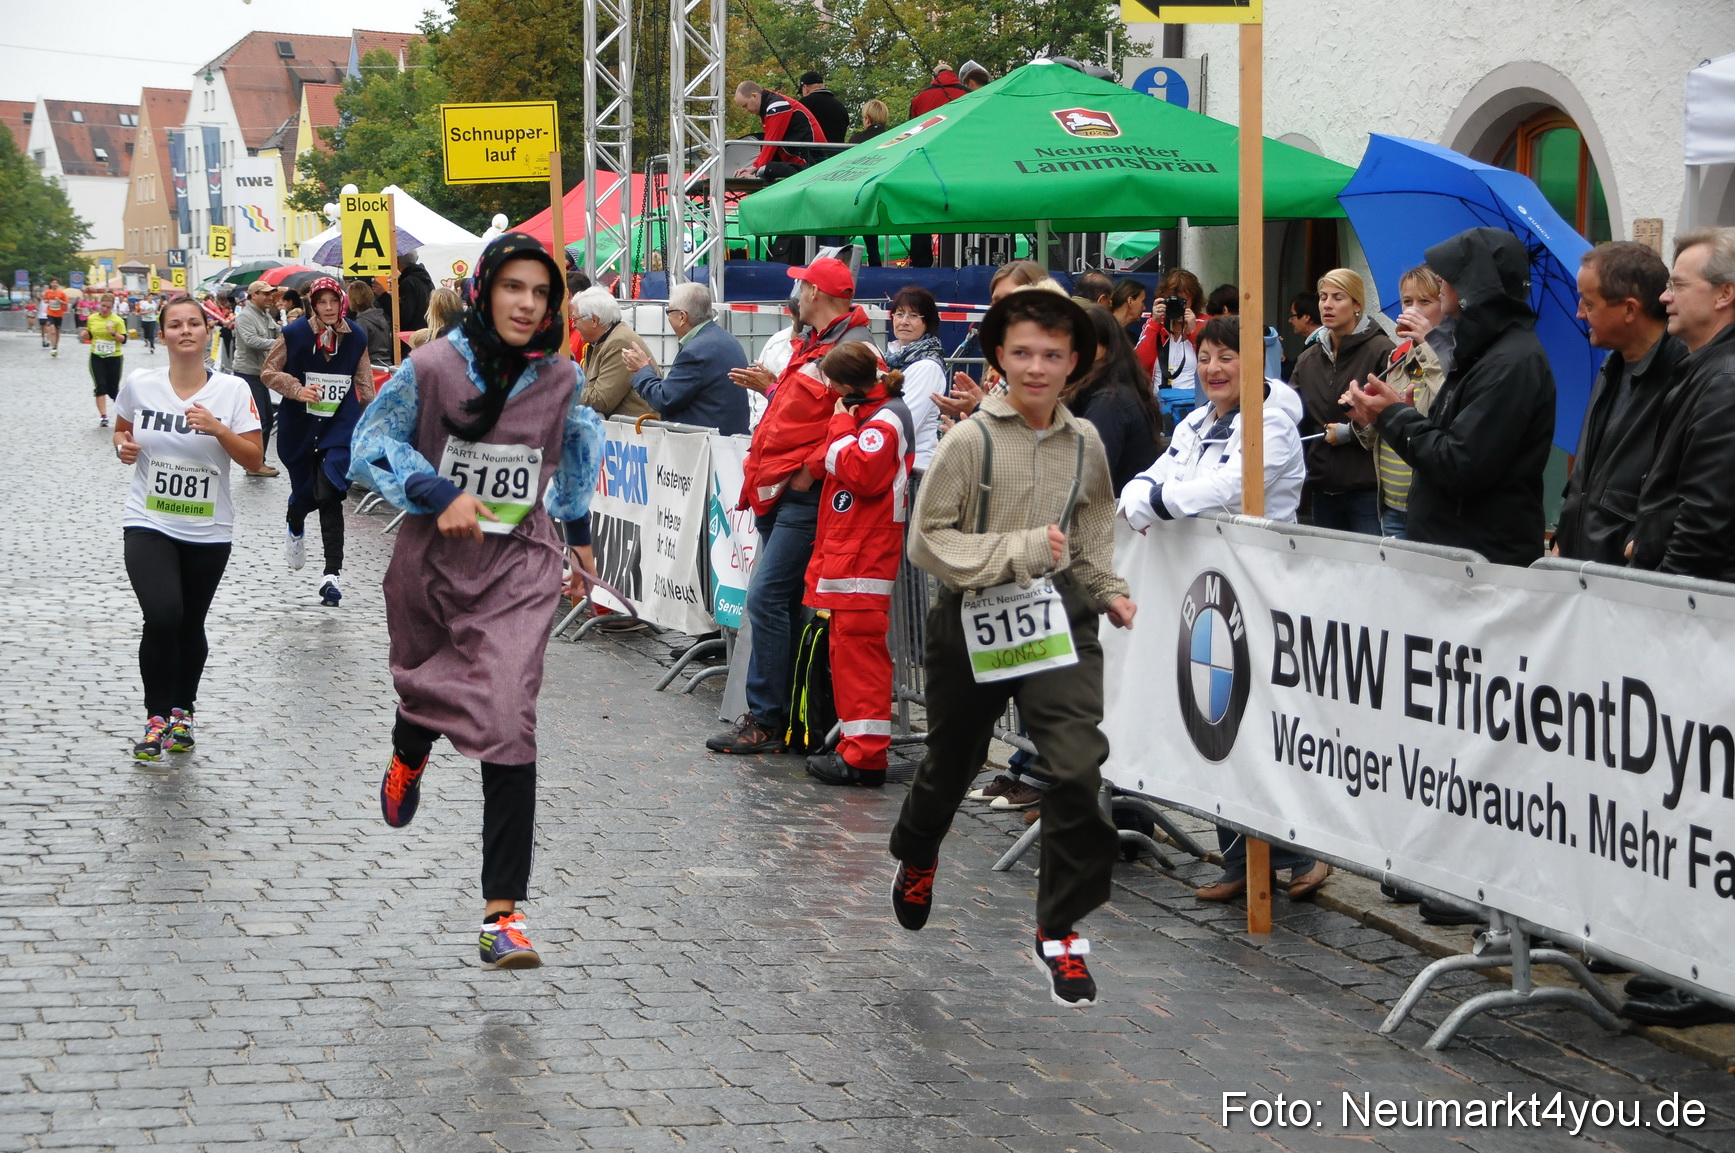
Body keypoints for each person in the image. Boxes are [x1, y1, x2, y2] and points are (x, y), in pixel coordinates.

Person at [349, 232, 606, 970]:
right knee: (426, 684)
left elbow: (577, 446)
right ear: (485, 290)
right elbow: (371, 441)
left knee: (507, 713)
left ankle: (503, 913)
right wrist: (434, 490)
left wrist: (578, 533)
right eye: (514, 288)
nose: (528, 304)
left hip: (519, 567)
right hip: (433, 564)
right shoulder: (431, 367)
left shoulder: (560, 377)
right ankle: (409, 749)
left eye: (541, 293)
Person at [887, 288, 1136, 1008]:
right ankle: (918, 848)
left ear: (1075, 365)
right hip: (971, 617)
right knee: (951, 762)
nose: (1036, 367)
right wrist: (1021, 548)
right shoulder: (971, 441)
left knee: (1078, 766)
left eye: (1052, 355)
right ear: (998, 356)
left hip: (1056, 619)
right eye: (1022, 352)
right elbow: (927, 538)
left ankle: (1059, 929)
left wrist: (1109, 587)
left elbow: (1089, 528)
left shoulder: (1085, 442)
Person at [1117, 316, 1325, 901]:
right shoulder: (1199, 419)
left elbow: (1229, 487)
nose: (1212, 368)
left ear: (1254, 361)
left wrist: (1158, 504)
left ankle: (1298, 852)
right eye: (1204, 356)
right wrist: (1147, 497)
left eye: (1226, 356)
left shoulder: (1273, 424)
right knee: (1217, 722)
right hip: (1205, 588)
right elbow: (1153, 475)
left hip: (1260, 590)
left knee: (1258, 723)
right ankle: (1238, 858)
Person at [707, 257, 874, 755]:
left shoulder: (852, 348)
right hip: (783, 492)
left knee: (765, 599)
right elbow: (812, 410)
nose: (796, 294)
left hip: (802, 495)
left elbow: (865, 419)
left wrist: (811, 468)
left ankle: (768, 718)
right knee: (779, 603)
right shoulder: (821, 343)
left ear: (816, 294)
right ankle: (784, 717)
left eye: (801, 286)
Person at [1346, 227, 1556, 566]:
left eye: (1450, 273)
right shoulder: (1481, 352)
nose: (1440, 279)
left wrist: (1395, 416)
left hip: (1479, 563)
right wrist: (1401, 413)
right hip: (1453, 552)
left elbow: (1458, 465)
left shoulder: (1511, 363)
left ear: (1476, 284)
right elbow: (1450, 442)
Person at [112, 295, 264, 760]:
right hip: (148, 520)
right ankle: (156, 717)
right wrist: (122, 445)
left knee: (190, 621)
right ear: (162, 335)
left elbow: (255, 460)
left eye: (193, 324)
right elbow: (122, 429)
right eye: (174, 324)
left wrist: (218, 429)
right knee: (162, 615)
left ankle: (183, 712)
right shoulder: (140, 384)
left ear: (207, 332)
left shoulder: (234, 391)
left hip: (208, 528)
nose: (184, 331)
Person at [801, 341, 915, 787]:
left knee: (859, 656)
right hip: (855, 547)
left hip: (865, 551)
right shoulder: (872, 413)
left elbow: (863, 472)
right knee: (849, 654)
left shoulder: (879, 420)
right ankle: (855, 747)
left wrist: (839, 426)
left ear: (846, 385)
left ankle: (864, 757)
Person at [1550, 244, 1685, 564]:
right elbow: (1590, 472)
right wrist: (1563, 536)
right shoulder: (1611, 365)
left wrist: (1637, 549)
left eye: (1589, 302)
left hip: (1628, 578)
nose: (1579, 312)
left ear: (1629, 309)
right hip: (1583, 570)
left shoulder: (1683, 376)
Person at [1627, 227, 1735, 581]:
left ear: (1725, 294)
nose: (1663, 298)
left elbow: (1704, 519)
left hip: (1687, 607)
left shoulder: (1724, 382)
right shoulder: (1703, 370)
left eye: (1678, 286)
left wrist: (1660, 590)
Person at [261, 276, 376, 606]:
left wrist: (373, 419)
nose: (328, 308)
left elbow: (365, 382)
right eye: (321, 302)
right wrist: (298, 390)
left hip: (339, 424)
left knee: (330, 493)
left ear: (343, 303)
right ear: (313, 304)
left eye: (333, 302)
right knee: (305, 494)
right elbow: (269, 372)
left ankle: (331, 575)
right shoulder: (295, 333)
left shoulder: (357, 337)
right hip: (301, 424)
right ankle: (295, 521)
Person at [1351, 266, 1450, 539]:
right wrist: (1364, 417)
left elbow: (1450, 411)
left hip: (1430, 506)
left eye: (1425, 301)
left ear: (1446, 304)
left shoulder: (1455, 356)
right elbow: (1381, 432)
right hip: (1391, 505)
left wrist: (1429, 345)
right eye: (1407, 301)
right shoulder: (1398, 355)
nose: (1413, 310)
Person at [1290, 269, 1390, 534]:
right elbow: (1292, 416)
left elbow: (1396, 417)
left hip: (1367, 490)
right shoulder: (1307, 358)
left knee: (1369, 572)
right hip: (1321, 488)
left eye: (1338, 297)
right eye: (1323, 297)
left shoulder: (1382, 350)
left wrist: (1349, 433)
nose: (1327, 304)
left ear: (1357, 304)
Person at [618, 282, 749, 434]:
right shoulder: (726, 339)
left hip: (703, 447)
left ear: (682, 316)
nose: (667, 317)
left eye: (668, 312)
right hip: (726, 441)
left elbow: (664, 399)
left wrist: (642, 370)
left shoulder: (695, 351)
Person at [1068, 306, 1164, 493]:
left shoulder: (1108, 402)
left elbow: (1091, 479)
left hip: (1111, 514)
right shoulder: (1118, 389)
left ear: (1107, 347)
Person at [883, 286, 947, 473]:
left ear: (928, 322)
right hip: (894, 462)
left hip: (913, 467)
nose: (904, 321)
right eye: (899, 314)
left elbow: (905, 422)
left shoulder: (927, 366)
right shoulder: (892, 357)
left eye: (913, 316)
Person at [573, 287, 656, 420]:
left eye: (575, 319)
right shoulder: (603, 340)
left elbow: (601, 401)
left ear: (594, 320)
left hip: (635, 434)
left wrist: (564, 391)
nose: (573, 325)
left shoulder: (619, 343)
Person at [233, 280, 284, 477]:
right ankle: (253, 464)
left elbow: (278, 330)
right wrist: (279, 343)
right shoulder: (245, 316)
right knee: (259, 419)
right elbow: (252, 341)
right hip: (247, 374)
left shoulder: (264, 315)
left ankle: (257, 461)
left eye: (271, 294)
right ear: (253, 295)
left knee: (267, 419)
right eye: (265, 294)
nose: (270, 297)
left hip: (259, 373)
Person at [1134, 267, 1204, 407]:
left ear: (1193, 300)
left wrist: (1194, 331)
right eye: (1174, 301)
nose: (1178, 306)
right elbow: (1138, 364)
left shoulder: (1204, 324)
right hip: (1158, 407)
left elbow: (1214, 360)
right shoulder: (1155, 325)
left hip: (1195, 406)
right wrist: (1154, 323)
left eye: (1184, 301)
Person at [1204, 282, 1282, 380]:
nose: (1216, 323)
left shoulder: (1236, 338)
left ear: (1225, 310)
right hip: (1274, 391)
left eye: (1216, 318)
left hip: (1250, 393)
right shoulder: (1273, 338)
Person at [849, 102, 891, 266]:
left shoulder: (856, 139)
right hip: (888, 193)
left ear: (867, 118)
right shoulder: (896, 136)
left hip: (862, 192)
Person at [83, 294, 129, 427]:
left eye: (108, 307)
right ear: (99, 304)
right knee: (100, 386)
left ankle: (126, 413)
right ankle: (103, 417)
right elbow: (89, 335)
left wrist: (114, 333)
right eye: (103, 306)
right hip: (97, 356)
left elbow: (124, 340)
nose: (105, 309)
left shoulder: (118, 320)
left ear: (112, 307)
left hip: (114, 357)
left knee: (113, 389)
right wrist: (85, 334)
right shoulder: (92, 319)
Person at [393, 249, 436, 358]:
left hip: (409, 340)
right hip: (425, 335)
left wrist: (384, 296)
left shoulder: (408, 282)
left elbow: (404, 316)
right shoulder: (426, 279)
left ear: (398, 261)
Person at [797, 71, 849, 153]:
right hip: (838, 156)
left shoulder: (803, 105)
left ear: (805, 87)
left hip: (814, 156)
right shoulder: (840, 106)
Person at [348, 280, 393, 365]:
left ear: (354, 299)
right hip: (386, 364)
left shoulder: (362, 321)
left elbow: (359, 350)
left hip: (372, 367)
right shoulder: (380, 316)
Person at [1111, 279, 1147, 344]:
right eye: (1142, 301)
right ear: (1130, 301)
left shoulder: (1131, 340)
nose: (1144, 308)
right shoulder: (1101, 331)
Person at [42, 278, 67, 357]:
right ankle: (53, 348)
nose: (55, 284)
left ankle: (55, 346)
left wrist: (60, 301)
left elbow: (66, 303)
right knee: (52, 331)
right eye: (53, 283)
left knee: (57, 332)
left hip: (59, 314)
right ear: (50, 284)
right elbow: (45, 300)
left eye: (56, 283)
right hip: (50, 313)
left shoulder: (61, 293)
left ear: (58, 284)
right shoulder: (47, 292)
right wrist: (46, 301)